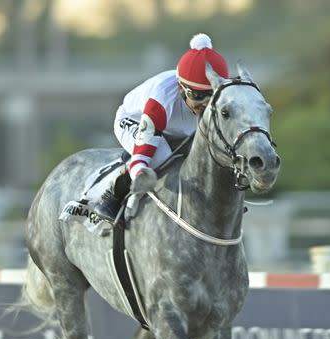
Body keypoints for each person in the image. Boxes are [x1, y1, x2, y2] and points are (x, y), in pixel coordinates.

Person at [93, 33, 230, 219]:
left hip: (175, 130)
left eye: (212, 97)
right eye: (198, 97)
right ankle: (114, 189)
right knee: (164, 159)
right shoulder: (162, 97)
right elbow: (143, 156)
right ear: (181, 87)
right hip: (136, 121)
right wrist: (139, 170)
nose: (205, 105)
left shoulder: (217, 100)